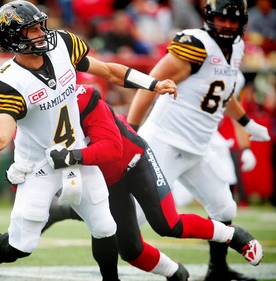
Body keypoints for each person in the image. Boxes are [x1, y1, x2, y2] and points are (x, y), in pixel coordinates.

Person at [0, 1, 177, 281]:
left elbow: (108, 71)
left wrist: (153, 84)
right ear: (13, 39)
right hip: (38, 166)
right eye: (30, 30)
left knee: (105, 226)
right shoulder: (6, 82)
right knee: (21, 245)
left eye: (39, 25)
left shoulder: (62, 45)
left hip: (76, 151)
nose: (41, 33)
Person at [8, 84, 264, 280]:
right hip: (104, 180)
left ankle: (233, 235)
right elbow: (37, 163)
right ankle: (175, 272)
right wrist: (19, 174)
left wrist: (72, 156)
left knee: (168, 224)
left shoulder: (83, 98)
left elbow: (111, 149)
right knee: (130, 249)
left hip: (133, 160)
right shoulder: (36, 119)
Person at [126, 1, 270, 280]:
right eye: (222, 19)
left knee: (224, 207)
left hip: (197, 147)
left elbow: (222, 92)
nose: (228, 25)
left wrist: (247, 123)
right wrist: (131, 131)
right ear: (210, 17)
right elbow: (150, 82)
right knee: (135, 217)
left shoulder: (237, 48)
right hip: (164, 142)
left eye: (233, 20)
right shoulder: (197, 44)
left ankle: (217, 270)